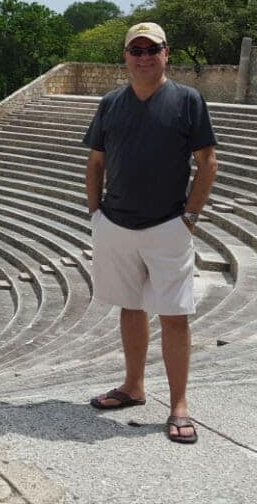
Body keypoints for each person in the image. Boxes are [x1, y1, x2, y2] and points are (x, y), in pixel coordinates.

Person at [82, 22, 217, 445]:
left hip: (167, 226)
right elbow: (95, 163)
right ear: (125, 55)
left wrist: (189, 218)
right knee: (130, 307)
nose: (143, 56)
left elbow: (207, 163)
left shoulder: (187, 101)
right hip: (115, 224)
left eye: (151, 49)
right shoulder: (111, 103)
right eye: (135, 49)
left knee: (175, 316)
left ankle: (179, 405)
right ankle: (133, 386)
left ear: (166, 53)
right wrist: (95, 215)